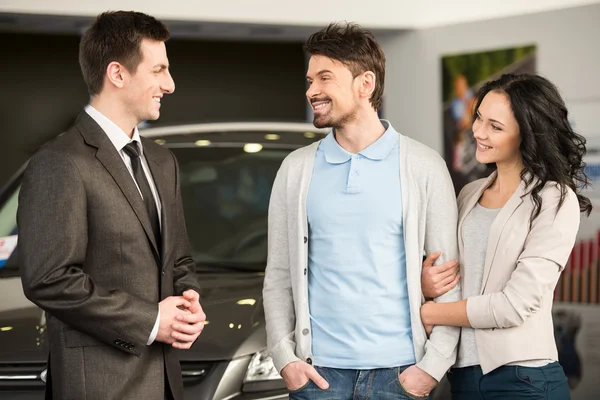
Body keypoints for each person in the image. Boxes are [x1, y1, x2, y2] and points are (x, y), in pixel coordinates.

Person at [263, 22, 461, 400]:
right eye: (309, 80)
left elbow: (448, 276)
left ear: (365, 84)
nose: (312, 91)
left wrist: (432, 367)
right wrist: (285, 358)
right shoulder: (296, 169)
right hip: (316, 375)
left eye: (325, 78)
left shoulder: (422, 166)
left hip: (401, 374)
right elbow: (279, 274)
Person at [17, 11, 205, 400]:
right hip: (100, 386)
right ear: (117, 74)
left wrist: (189, 302)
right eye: (159, 70)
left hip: (166, 384)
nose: (169, 85)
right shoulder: (60, 162)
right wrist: (152, 321)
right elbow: (49, 279)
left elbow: (179, 260)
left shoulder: (162, 161)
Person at [420, 73, 591, 400]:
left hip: (523, 380)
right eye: (479, 118)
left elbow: (515, 305)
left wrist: (429, 313)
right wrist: (427, 287)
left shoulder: (555, 198)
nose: (479, 133)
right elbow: (452, 273)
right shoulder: (469, 193)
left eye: (495, 127)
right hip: (461, 378)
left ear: (526, 134)